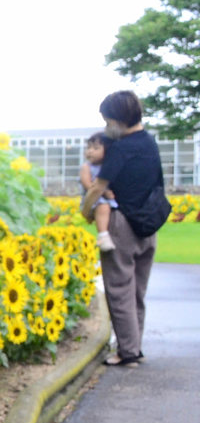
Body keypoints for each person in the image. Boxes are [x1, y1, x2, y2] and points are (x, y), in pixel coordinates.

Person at [81, 90, 161, 367]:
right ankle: (134, 347)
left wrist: (86, 211)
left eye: (107, 121)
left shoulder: (120, 148)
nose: (106, 127)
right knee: (137, 291)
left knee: (119, 289)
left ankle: (127, 353)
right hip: (149, 225)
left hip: (121, 225)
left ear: (117, 120)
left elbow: (98, 187)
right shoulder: (150, 143)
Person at [78, 132, 118, 252]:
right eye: (88, 148)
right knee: (103, 207)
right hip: (93, 199)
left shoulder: (109, 166)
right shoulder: (87, 167)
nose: (90, 151)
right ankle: (102, 236)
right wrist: (104, 192)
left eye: (95, 148)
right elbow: (88, 185)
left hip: (106, 198)